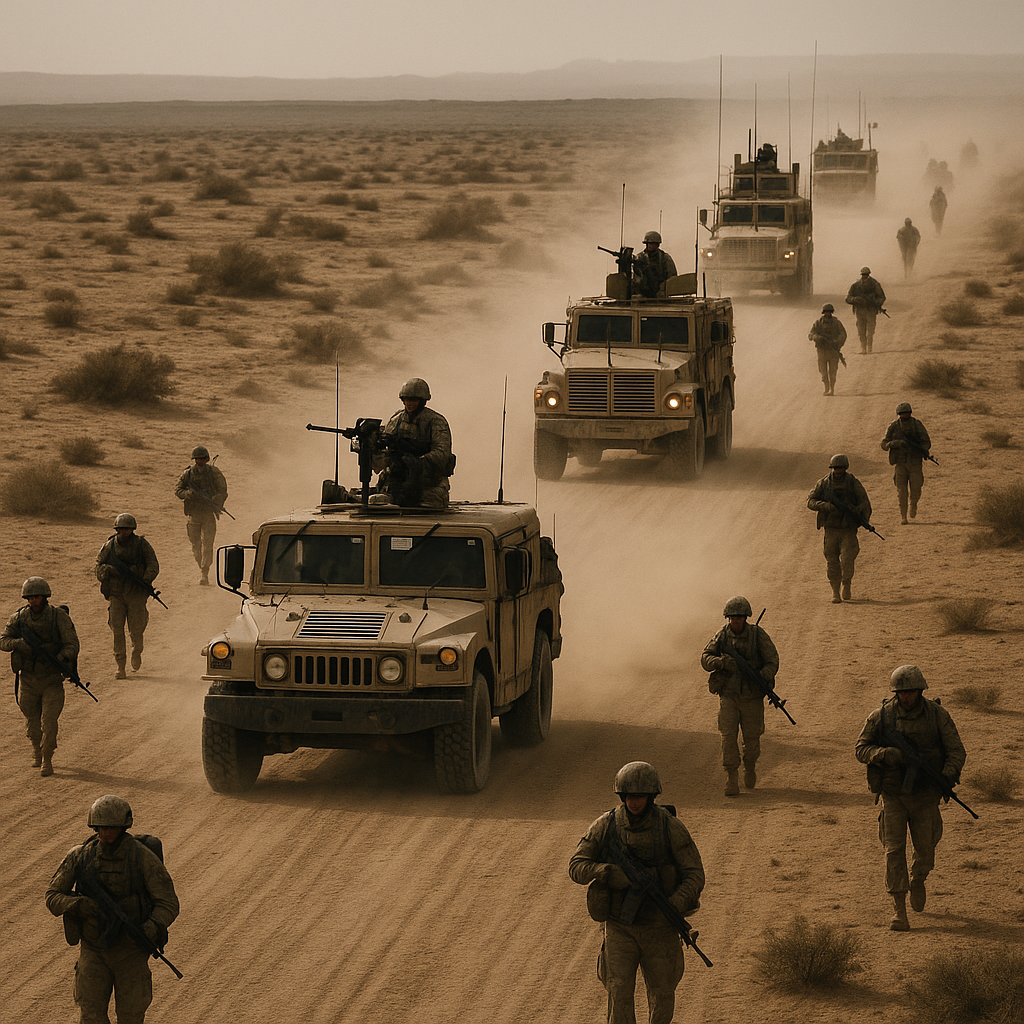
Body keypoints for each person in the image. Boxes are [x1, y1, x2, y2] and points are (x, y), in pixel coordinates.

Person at [569, 762, 705, 1024]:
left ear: (652, 797)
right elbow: (576, 866)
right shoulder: (605, 826)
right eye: (629, 796)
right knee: (618, 992)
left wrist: (675, 904)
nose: (634, 802)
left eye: (640, 796)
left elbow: (695, 874)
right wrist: (605, 871)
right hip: (620, 927)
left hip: (661, 928)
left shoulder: (670, 828)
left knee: (663, 995)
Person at [46, 795, 180, 1023]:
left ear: (123, 827)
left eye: (112, 828)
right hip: (94, 950)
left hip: (130, 953)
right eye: (102, 827)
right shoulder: (80, 856)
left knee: (131, 1016)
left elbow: (168, 903)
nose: (106, 833)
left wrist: (149, 928)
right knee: (90, 1016)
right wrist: (77, 904)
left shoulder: (141, 858)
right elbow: (52, 896)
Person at [855, 665, 966, 931]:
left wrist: (945, 776)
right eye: (901, 692)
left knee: (925, 851)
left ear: (920, 690)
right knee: (893, 852)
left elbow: (956, 751)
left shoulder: (937, 716)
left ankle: (918, 879)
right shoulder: (881, 716)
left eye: (911, 691)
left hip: (926, 795)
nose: (906, 697)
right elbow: (861, 748)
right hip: (893, 795)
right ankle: (899, 909)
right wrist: (883, 754)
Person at [0, 577, 80, 777]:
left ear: (45, 597)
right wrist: (19, 644)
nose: (32, 601)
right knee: (33, 723)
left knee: (49, 722)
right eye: (29, 598)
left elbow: (72, 644)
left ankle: (47, 758)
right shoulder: (19, 618)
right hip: (28, 680)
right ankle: (36, 749)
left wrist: (60, 658)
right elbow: (3, 640)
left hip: (52, 679)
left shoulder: (57, 617)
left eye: (36, 597)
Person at [701, 597, 780, 796]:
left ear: (746, 618)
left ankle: (750, 766)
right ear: (728, 618)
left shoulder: (757, 635)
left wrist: (762, 676)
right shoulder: (722, 636)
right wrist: (721, 662)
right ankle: (731, 777)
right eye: (732, 618)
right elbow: (705, 658)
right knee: (728, 737)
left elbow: (772, 660)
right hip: (728, 695)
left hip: (752, 696)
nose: (735, 621)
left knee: (752, 740)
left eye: (739, 617)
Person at [374, 378, 454, 508]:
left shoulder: (436, 421)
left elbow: (442, 453)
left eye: (413, 400)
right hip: (396, 486)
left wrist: (417, 461)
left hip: (428, 490)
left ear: (422, 401)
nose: (409, 403)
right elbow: (383, 453)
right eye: (406, 399)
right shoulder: (396, 420)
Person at [95, 514, 159, 679]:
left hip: (136, 593)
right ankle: (120, 666)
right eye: (120, 529)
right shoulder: (110, 545)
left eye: (127, 529)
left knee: (136, 629)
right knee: (117, 629)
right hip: (116, 593)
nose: (123, 532)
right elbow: (98, 566)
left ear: (132, 529)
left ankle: (136, 651)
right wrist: (107, 571)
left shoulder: (141, 545)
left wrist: (143, 580)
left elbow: (153, 565)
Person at [806, 454, 872, 604]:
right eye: (835, 468)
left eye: (840, 467)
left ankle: (846, 583)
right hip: (831, 530)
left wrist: (856, 511)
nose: (837, 471)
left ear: (845, 467)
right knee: (832, 562)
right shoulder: (823, 483)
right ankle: (835, 591)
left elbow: (865, 503)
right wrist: (826, 506)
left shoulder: (853, 483)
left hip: (847, 529)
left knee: (847, 560)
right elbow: (810, 501)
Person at [174, 445, 228, 586]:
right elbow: (178, 490)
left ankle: (204, 573)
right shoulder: (188, 474)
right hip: (194, 514)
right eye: (197, 459)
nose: (199, 461)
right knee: (195, 545)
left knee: (207, 544)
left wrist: (216, 499)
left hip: (208, 514)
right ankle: (202, 567)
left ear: (206, 459)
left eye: (202, 459)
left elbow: (223, 490)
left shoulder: (213, 472)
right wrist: (188, 494)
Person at [881, 402, 932, 525]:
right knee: (901, 492)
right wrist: (896, 443)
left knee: (916, 489)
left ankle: (913, 503)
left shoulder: (917, 425)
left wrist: (922, 449)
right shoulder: (893, 426)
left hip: (915, 462)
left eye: (906, 413)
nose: (904, 416)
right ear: (898, 414)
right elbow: (884, 444)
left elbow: (926, 441)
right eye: (902, 414)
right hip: (900, 463)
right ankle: (903, 516)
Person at [808, 303, 847, 396]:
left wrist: (837, 342)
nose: (827, 314)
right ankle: (826, 387)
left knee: (833, 372)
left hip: (833, 351)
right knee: (823, 372)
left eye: (829, 312)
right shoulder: (818, 323)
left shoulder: (837, 323)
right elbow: (810, 335)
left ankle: (832, 389)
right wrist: (817, 337)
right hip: (822, 351)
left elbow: (843, 334)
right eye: (826, 312)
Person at [845, 267, 886, 354]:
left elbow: (882, 297)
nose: (865, 277)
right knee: (861, 330)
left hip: (870, 310)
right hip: (860, 310)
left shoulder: (875, 284)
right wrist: (856, 299)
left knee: (870, 331)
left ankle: (870, 347)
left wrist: (875, 303)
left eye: (866, 275)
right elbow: (848, 298)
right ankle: (863, 348)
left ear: (869, 275)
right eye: (863, 275)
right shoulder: (855, 285)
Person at [634, 231, 678, 298]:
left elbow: (672, 277)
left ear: (657, 244)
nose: (649, 246)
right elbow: (635, 277)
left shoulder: (665, 258)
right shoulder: (640, 258)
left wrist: (663, 289)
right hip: (642, 294)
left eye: (652, 243)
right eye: (647, 243)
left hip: (660, 293)